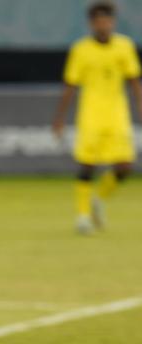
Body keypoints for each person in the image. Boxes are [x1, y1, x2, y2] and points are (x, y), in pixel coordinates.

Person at [52, 1, 141, 235]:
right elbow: (70, 86)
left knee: (125, 166)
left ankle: (98, 199)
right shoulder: (81, 50)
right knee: (87, 166)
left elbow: (134, 82)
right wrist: (59, 118)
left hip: (117, 115)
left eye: (107, 20)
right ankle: (82, 216)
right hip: (90, 115)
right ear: (91, 23)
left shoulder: (125, 46)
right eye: (98, 21)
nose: (103, 25)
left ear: (113, 22)